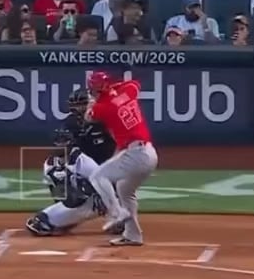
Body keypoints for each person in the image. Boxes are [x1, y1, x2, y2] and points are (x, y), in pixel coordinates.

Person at [24, 89, 120, 237]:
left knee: (113, 188)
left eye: (82, 105)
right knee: (71, 187)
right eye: (75, 105)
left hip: (111, 166)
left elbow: (121, 145)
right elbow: (60, 193)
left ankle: (118, 217)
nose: (78, 109)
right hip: (89, 169)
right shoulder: (70, 126)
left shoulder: (105, 121)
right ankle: (68, 216)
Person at [85, 71, 159, 247]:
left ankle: (116, 212)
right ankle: (133, 235)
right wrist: (113, 89)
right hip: (149, 153)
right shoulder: (127, 91)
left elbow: (88, 117)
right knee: (124, 189)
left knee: (97, 177)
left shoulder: (102, 107)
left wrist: (91, 101)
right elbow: (135, 84)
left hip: (137, 154)